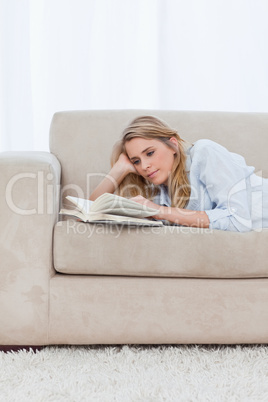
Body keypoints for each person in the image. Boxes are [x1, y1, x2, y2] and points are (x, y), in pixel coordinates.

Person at [90, 115, 268, 232]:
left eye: (150, 153)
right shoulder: (159, 191)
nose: (144, 166)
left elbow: (238, 221)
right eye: (136, 161)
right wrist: (119, 169)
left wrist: (160, 212)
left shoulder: (204, 153)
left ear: (173, 145)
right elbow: (90, 212)